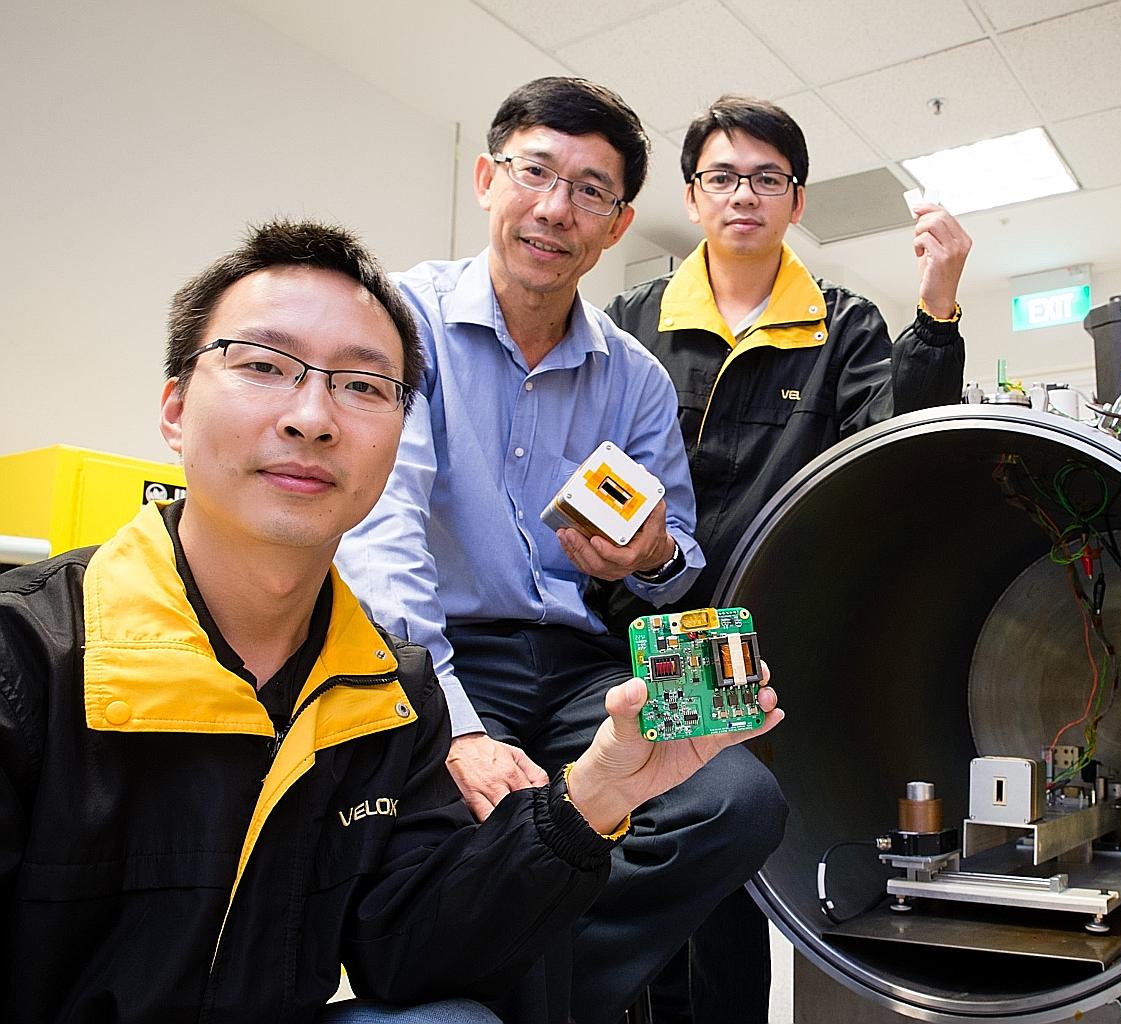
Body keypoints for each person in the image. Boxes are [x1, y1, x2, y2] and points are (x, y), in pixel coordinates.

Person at [0, 219, 781, 1024]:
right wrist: (466, 728)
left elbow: (407, 950)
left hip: (582, 654)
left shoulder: (382, 689)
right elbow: (394, 557)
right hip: (460, 650)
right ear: (173, 409)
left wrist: (592, 795)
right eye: (265, 367)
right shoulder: (26, 657)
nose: (313, 417)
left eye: (363, 386)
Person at [335, 78, 788, 1023]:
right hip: (443, 648)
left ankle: (507, 982)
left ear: (618, 225)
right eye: (535, 172)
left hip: (587, 657)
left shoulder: (637, 379)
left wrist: (650, 556)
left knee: (737, 801)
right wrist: (454, 723)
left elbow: (679, 569)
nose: (554, 209)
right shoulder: (401, 321)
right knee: (489, 820)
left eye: (590, 190)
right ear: (486, 178)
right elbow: (382, 535)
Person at [601, 95, 972, 1022]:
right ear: (692, 197)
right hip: (630, 625)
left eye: (768, 179)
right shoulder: (631, 319)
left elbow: (899, 447)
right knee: (619, 867)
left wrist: (937, 306)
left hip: (750, 643)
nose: (744, 195)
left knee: (723, 881)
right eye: (723, 177)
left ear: (797, 201)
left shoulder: (841, 323)